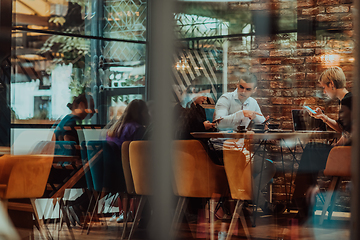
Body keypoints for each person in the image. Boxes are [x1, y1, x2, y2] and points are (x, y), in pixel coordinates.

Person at [213, 72, 281, 216]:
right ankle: (261, 204)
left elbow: (261, 123)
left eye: (247, 89)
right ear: (237, 84)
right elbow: (219, 123)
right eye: (241, 87)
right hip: (222, 147)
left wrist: (266, 125)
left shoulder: (253, 103)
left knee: (268, 167)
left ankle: (240, 199)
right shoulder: (225, 99)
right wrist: (241, 113)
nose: (243, 91)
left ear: (254, 90)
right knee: (248, 167)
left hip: (240, 148)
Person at [292, 66, 352, 223]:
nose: (324, 92)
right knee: (311, 153)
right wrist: (323, 117)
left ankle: (302, 201)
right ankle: (304, 200)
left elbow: (351, 132)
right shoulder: (348, 100)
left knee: (311, 151)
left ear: (332, 84)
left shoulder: (348, 101)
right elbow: (342, 128)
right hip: (347, 153)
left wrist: (337, 147)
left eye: (324, 87)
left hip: (349, 156)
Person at [106, 99, 150, 223]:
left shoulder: (113, 129)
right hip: (129, 176)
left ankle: (126, 213)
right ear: (141, 113)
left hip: (112, 174)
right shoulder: (137, 129)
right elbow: (142, 155)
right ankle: (145, 216)